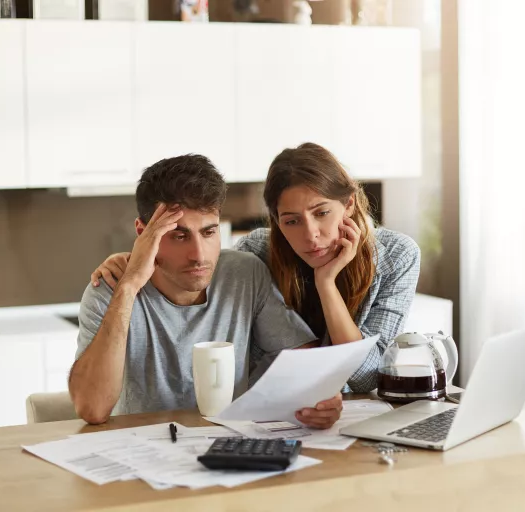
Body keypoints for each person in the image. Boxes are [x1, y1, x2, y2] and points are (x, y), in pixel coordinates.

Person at [91, 143, 420, 393]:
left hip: (346, 413)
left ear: (347, 203)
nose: (310, 236)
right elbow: (196, 266)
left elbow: (365, 378)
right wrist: (132, 261)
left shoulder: (397, 257)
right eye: (291, 221)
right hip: (277, 412)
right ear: (277, 221)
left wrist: (326, 284)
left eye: (321, 213)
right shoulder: (259, 251)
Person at [69, 154, 343, 427]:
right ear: (143, 232)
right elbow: (92, 409)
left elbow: (306, 364)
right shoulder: (110, 290)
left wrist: (321, 399)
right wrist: (128, 287)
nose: (199, 255)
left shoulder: (244, 274)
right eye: (179, 235)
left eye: (209, 232)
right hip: (141, 450)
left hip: (229, 447)